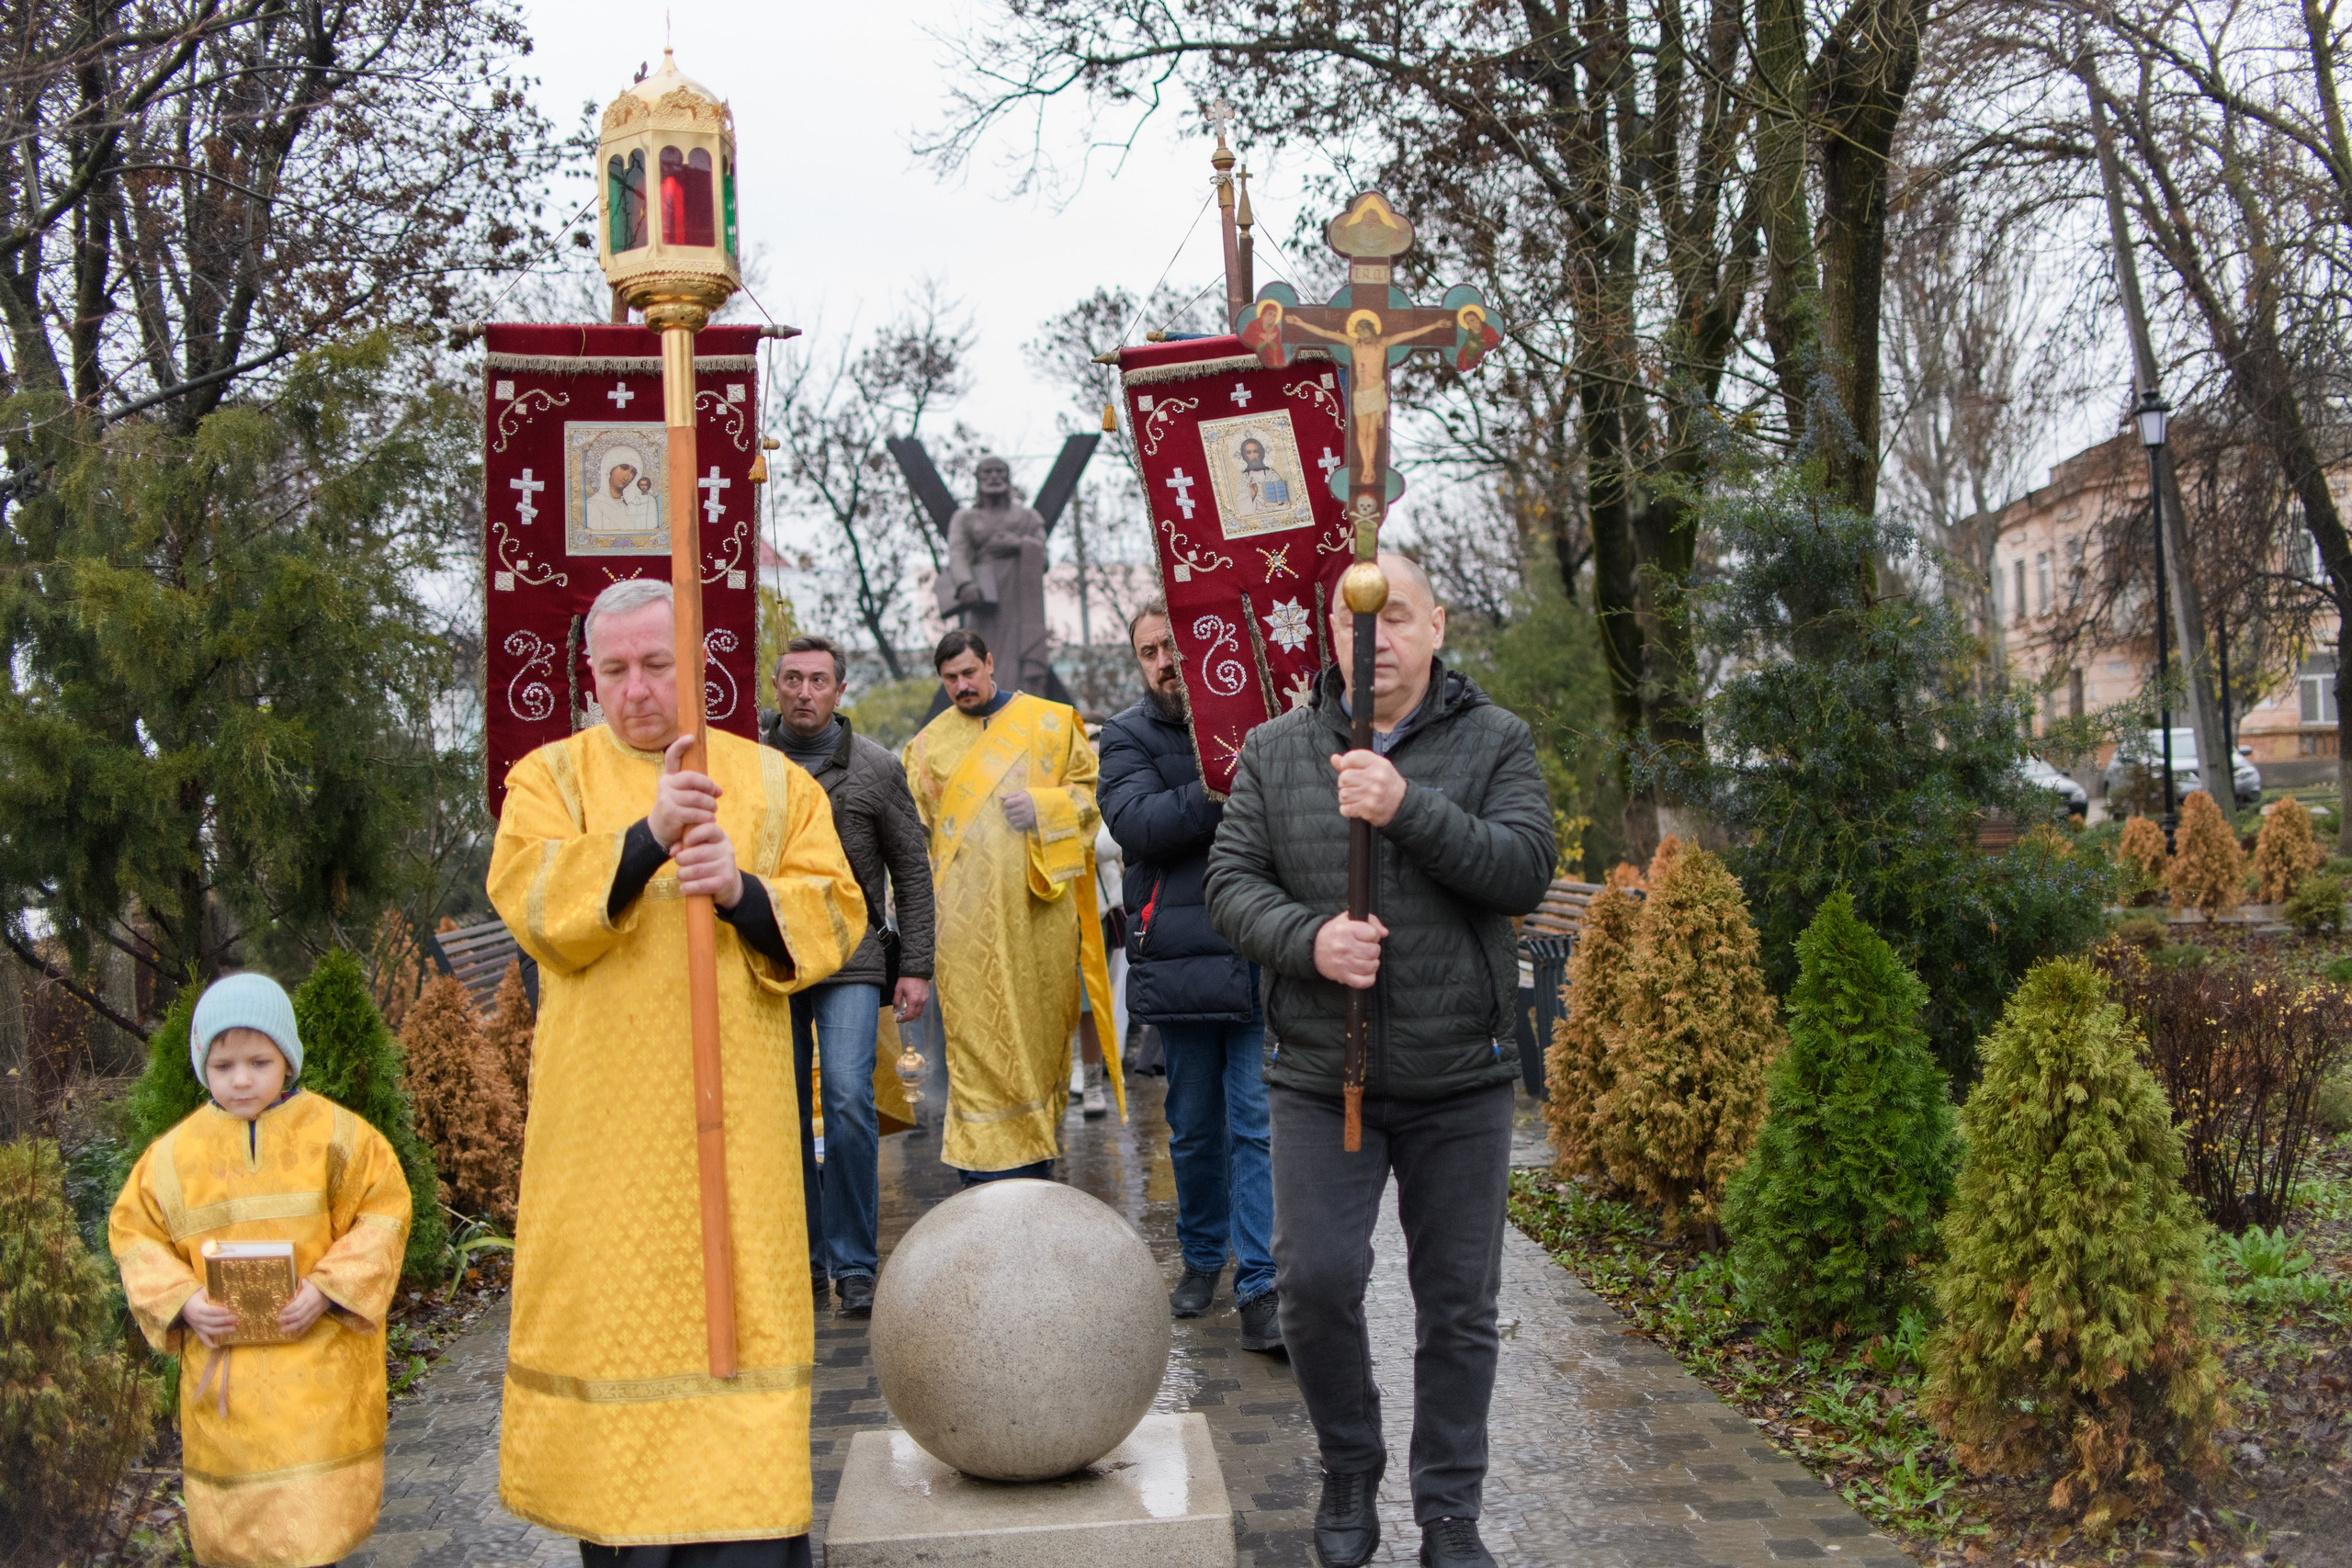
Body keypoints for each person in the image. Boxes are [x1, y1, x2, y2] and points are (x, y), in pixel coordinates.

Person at [488, 577, 865, 1566]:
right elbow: (531, 900)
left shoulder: (775, 783)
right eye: (613, 671)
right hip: (601, 1150)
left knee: (739, 1388)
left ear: (697, 665)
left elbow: (837, 912)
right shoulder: (549, 780)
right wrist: (647, 839)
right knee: (623, 1416)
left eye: (657, 665)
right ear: (591, 676)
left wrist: (742, 891)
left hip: (735, 1145)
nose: (636, 690)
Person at [1205, 552, 1555, 1568]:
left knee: (1459, 1307)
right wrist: (1308, 939)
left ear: (1436, 626)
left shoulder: (1496, 743)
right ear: (1333, 632)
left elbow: (1521, 869)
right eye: (1362, 619)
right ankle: (1349, 1463)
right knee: (1312, 1284)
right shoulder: (1274, 753)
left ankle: (1449, 1511)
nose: (1380, 638)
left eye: (1399, 616)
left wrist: (1405, 804)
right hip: (1323, 1074)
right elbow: (1230, 886)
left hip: (1460, 1079)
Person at [110, 972, 413, 1568]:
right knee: (242, 1535)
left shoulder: (339, 1135)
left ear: (288, 1059)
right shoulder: (171, 1156)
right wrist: (183, 1301)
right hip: (230, 1383)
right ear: (203, 1065)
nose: (242, 1078)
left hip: (316, 1374)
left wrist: (329, 1288)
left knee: (316, 1528)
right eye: (223, 1064)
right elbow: (134, 1233)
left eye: (259, 1059)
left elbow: (384, 1210)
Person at [1100, 600, 1278, 1351]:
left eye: (1175, 644)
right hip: (1176, 957)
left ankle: (1262, 1279)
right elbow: (1138, 825)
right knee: (1194, 1128)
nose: (1166, 661)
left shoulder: (1264, 721)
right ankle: (1204, 1256)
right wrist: (1223, 779)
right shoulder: (1126, 735)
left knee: (1257, 1123)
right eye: (1150, 651)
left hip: (1259, 951)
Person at [901, 628, 1122, 1184]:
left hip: (1038, 916)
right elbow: (917, 843)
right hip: (962, 928)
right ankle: (980, 1168)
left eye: (969, 673)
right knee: (976, 1045)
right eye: (950, 678)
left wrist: (1044, 807)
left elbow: (1092, 798)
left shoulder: (1051, 722)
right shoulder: (925, 747)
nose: (961, 686)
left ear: (990, 662)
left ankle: (1037, 1156)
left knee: (1042, 1037)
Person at [762, 633, 935, 1319]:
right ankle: (801, 1256)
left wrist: (915, 965)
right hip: (768, 956)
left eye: (818, 681)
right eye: (793, 679)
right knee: (779, 1115)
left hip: (852, 957)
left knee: (846, 1098)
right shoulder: (749, 763)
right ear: (776, 686)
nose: (805, 692)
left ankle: (856, 1264)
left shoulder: (874, 767)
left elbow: (912, 872)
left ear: (840, 689)